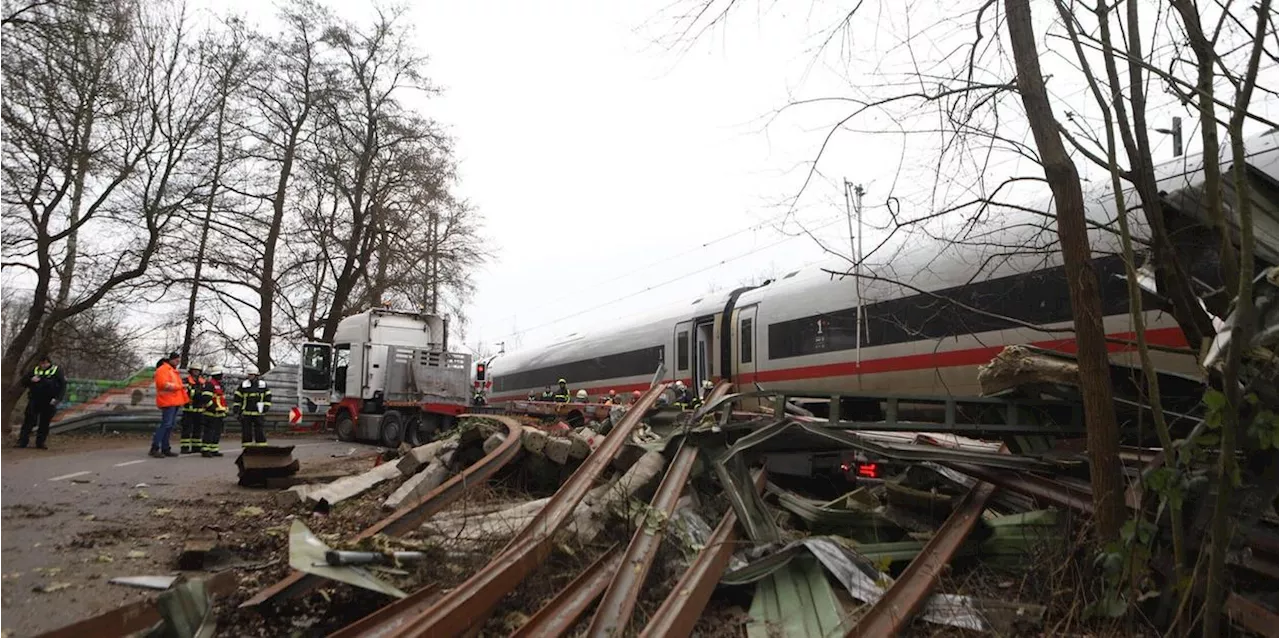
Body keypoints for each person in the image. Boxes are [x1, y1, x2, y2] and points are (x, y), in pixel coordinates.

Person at [15, 353, 66, 449]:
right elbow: (23, 381)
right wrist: (31, 380)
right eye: (41, 363)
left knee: (44, 422)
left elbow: (62, 386)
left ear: (48, 363)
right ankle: (22, 442)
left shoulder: (56, 371)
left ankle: (40, 443)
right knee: (29, 421)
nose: (43, 365)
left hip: (49, 400)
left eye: (45, 363)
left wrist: (58, 399)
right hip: (35, 399)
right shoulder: (35, 370)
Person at [152, 352, 187, 458]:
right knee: (166, 425)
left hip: (173, 401)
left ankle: (165, 448)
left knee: (169, 425)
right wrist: (180, 386)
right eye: (176, 360)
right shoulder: (163, 370)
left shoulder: (171, 371)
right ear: (171, 359)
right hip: (168, 401)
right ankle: (155, 448)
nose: (177, 363)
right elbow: (163, 384)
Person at [233, 369, 272, 447]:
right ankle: (247, 448)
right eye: (249, 374)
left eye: (251, 375)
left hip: (259, 413)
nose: (249, 376)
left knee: (259, 430)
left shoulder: (263, 385)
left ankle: (261, 447)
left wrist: (266, 406)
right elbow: (237, 398)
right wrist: (237, 410)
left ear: (256, 376)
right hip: (246, 413)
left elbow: (268, 396)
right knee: (246, 431)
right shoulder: (244, 385)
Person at [199, 367, 228, 457]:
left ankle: (214, 449)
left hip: (218, 413)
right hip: (210, 413)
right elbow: (205, 399)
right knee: (209, 431)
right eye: (221, 375)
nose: (222, 376)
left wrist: (224, 409)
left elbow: (221, 399)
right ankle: (205, 450)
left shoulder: (219, 385)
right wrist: (213, 408)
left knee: (217, 432)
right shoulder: (209, 384)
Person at [179, 363, 206, 454]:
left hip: (199, 409)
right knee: (187, 428)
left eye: (198, 371)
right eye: (194, 370)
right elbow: (185, 392)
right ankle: (185, 447)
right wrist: (197, 394)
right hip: (188, 409)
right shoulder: (186, 380)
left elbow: (205, 394)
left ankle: (196, 447)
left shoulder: (202, 382)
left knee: (198, 428)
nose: (196, 372)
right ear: (191, 371)